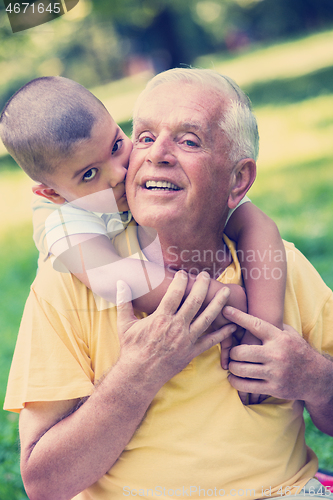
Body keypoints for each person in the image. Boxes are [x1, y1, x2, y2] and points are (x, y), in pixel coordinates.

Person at [3, 68, 333, 500]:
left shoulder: (276, 263)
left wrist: (315, 378)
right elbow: (44, 485)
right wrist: (139, 374)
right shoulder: (67, 277)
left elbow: (258, 224)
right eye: (144, 136)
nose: (154, 154)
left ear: (237, 180)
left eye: (188, 139)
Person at [0, 76, 286, 377]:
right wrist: (226, 301)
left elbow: (256, 222)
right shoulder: (59, 220)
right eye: (89, 175)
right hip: (93, 356)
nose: (118, 173)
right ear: (54, 193)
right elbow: (115, 277)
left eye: (115, 146)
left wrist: (263, 328)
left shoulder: (140, 173)